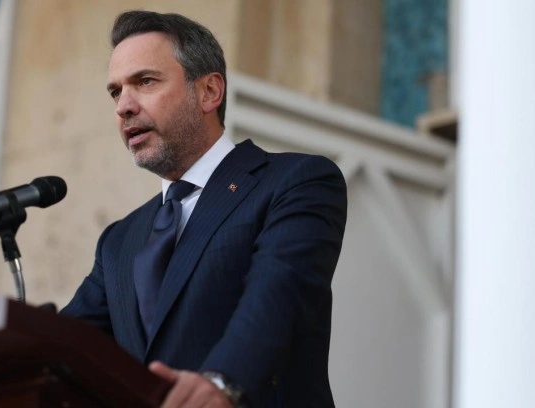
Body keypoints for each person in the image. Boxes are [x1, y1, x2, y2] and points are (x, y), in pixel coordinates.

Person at [61, 10, 347, 408]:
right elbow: (65, 347)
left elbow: (279, 297)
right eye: (115, 92)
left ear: (209, 92)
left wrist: (222, 382)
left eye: (145, 81)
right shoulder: (118, 241)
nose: (123, 106)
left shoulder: (295, 182)